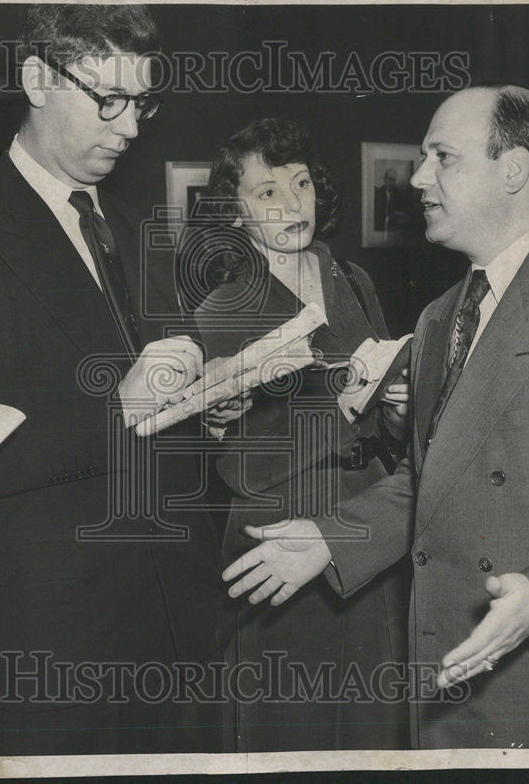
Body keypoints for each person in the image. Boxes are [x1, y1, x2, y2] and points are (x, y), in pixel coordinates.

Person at [223, 86, 529, 748]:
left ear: (511, 170)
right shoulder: (439, 316)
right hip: (454, 680)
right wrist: (337, 536)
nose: (417, 177)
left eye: (441, 157)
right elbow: (431, 479)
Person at [0, 4, 228, 755]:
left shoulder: (143, 231)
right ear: (38, 79)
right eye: (108, 101)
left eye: (141, 102)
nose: (131, 128)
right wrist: (120, 404)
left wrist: (209, 406)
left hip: (183, 623)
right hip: (59, 648)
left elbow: (166, 399)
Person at [185, 117, 411, 751]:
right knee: (291, 723)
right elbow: (241, 468)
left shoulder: (355, 280)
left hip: (366, 524)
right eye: (266, 193)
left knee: (369, 724)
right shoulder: (222, 308)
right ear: (234, 214)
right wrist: (340, 408)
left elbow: (389, 431)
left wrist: (394, 408)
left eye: (302, 183)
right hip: (277, 530)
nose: (292, 204)